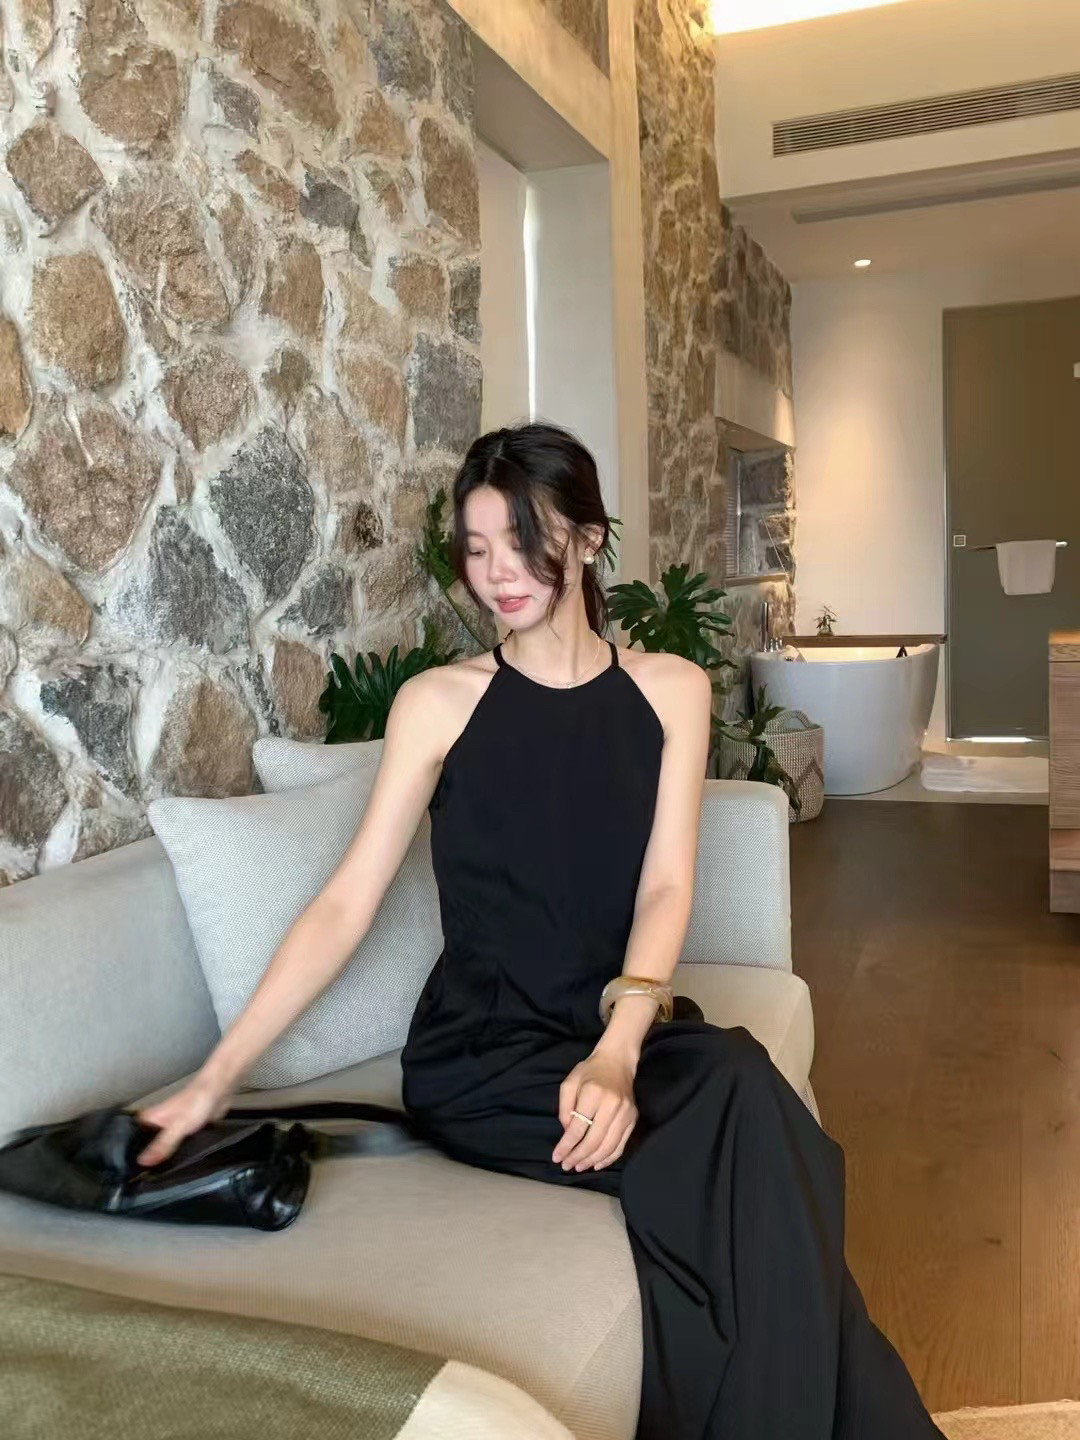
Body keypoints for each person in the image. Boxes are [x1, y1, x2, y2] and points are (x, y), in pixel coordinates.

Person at [135, 421, 946, 1439]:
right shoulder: (440, 704)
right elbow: (345, 903)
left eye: (525, 540)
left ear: (590, 539)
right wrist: (219, 1077)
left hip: (613, 1026)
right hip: (484, 1057)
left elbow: (666, 887)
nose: (498, 572)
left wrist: (618, 1049)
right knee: (747, 1156)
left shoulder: (671, 691)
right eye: (477, 548)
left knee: (748, 1093)